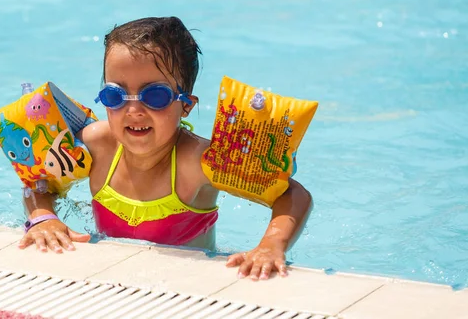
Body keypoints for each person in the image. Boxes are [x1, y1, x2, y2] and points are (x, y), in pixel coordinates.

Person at [18, 17, 312, 281]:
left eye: (155, 96)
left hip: (188, 284)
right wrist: (44, 218)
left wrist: (270, 245)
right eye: (115, 95)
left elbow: (293, 194)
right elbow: (40, 180)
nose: (133, 110)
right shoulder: (96, 145)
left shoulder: (197, 162)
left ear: (185, 105)